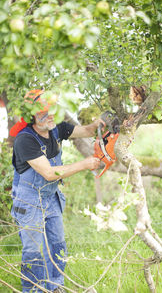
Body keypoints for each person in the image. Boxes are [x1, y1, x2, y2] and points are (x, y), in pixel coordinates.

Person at [10, 90, 102, 293]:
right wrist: (84, 164)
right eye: (44, 112)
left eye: (52, 110)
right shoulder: (25, 139)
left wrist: (97, 125)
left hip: (50, 197)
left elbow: (85, 131)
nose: (50, 115)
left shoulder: (56, 128)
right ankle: (34, 289)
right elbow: (50, 174)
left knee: (58, 244)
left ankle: (55, 285)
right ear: (31, 115)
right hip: (29, 200)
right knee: (34, 249)